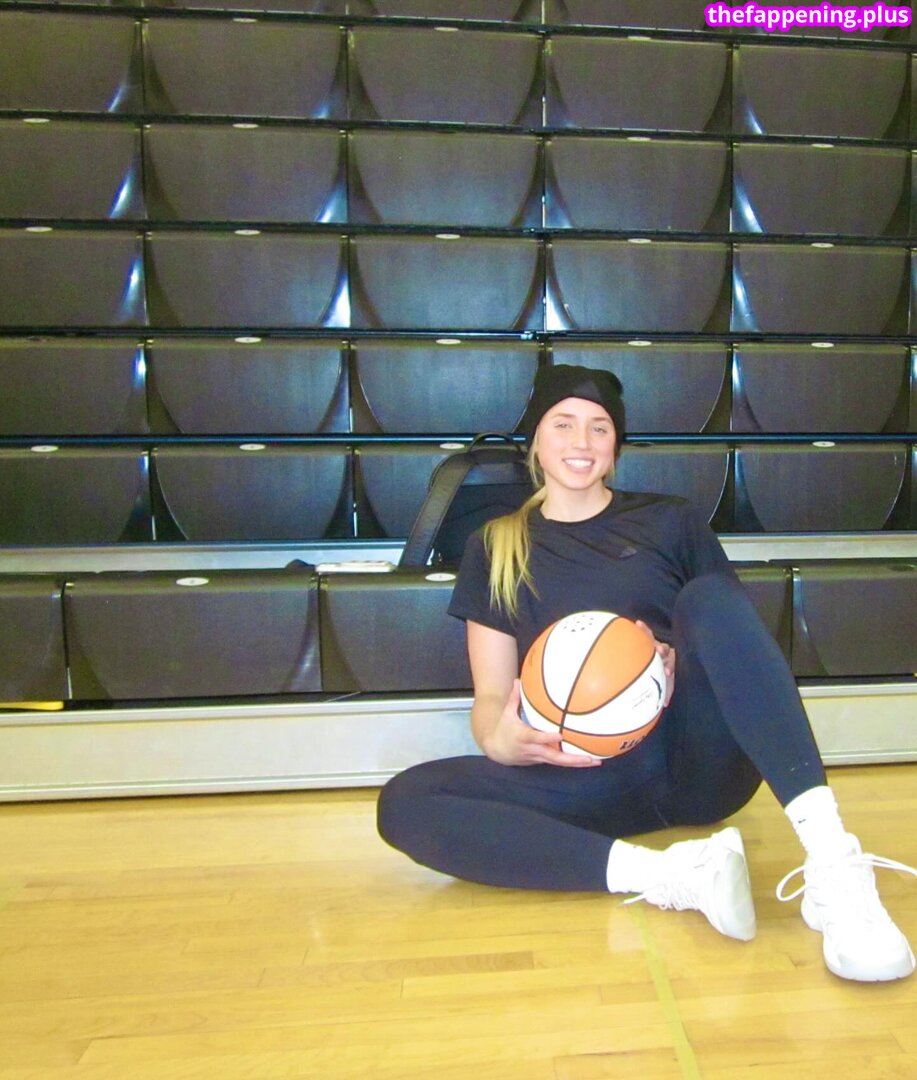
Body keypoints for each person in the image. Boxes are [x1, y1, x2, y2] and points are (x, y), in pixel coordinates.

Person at [377, 364, 916, 982]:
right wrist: (500, 739)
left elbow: (733, 636)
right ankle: (673, 874)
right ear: (535, 441)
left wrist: (675, 656)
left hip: (694, 761)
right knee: (405, 803)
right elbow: (492, 695)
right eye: (563, 424)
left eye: (599, 428)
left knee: (708, 597)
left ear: (616, 446)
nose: (581, 442)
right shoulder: (495, 545)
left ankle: (833, 865)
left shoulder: (671, 520)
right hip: (582, 780)